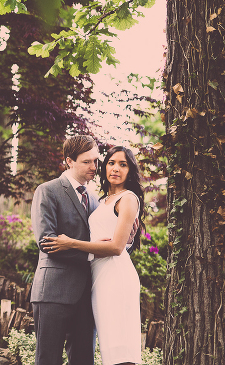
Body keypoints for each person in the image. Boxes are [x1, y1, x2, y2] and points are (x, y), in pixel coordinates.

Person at [42, 146, 146, 365]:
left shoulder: (128, 198)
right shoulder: (102, 200)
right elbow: (110, 239)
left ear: (130, 170)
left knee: (121, 349)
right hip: (98, 277)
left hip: (116, 278)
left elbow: (115, 248)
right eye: (111, 163)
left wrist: (69, 243)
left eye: (123, 164)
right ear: (104, 166)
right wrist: (125, 242)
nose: (115, 168)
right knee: (109, 349)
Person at [30, 135, 100, 365]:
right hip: (53, 292)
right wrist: (92, 254)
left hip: (86, 294)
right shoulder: (48, 190)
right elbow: (47, 241)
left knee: (83, 361)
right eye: (87, 162)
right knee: (48, 360)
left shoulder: (95, 199)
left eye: (96, 161)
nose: (94, 167)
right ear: (69, 161)